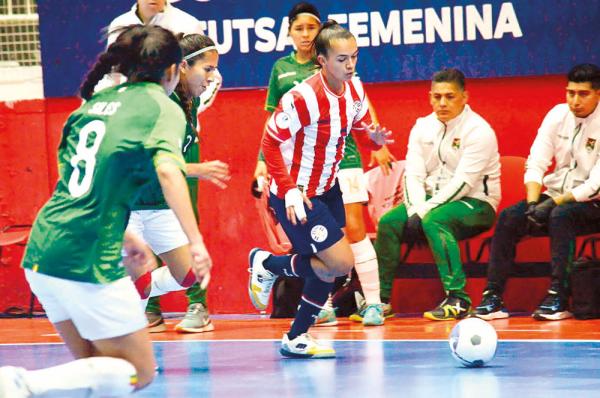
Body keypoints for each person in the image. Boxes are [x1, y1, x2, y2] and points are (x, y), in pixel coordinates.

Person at [0, 25, 211, 396]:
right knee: (138, 372)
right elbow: (167, 170)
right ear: (173, 70)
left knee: (99, 373)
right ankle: (21, 383)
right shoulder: (162, 105)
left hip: (43, 250)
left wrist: (128, 234)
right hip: (88, 256)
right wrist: (196, 242)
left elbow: (80, 185)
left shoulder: (93, 105)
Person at [248, 21, 393, 358]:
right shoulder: (302, 98)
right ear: (321, 60)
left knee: (327, 265)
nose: (350, 65)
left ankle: (296, 336)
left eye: (354, 57)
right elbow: (269, 143)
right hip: (294, 194)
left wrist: (372, 137)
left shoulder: (354, 88)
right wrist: (288, 189)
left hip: (327, 188)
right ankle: (268, 264)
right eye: (342, 59)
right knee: (339, 262)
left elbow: (355, 121)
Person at [106, 0, 223, 332]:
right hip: (132, 203)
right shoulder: (157, 104)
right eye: (208, 69)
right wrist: (197, 169)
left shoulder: (188, 99)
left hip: (157, 205)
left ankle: (140, 288)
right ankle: (121, 336)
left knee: (192, 274)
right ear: (181, 68)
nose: (214, 76)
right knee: (130, 304)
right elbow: (156, 165)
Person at [474, 63, 600, 321]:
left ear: (598, 94)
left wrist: (552, 203)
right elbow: (536, 161)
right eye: (570, 93)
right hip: (555, 198)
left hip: (591, 202)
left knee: (561, 216)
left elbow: (594, 185)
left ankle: (559, 297)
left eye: (583, 94)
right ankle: (493, 296)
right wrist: (533, 204)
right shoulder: (557, 115)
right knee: (511, 217)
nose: (575, 101)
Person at [375, 68, 500, 321]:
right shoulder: (422, 127)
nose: (442, 103)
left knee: (435, 219)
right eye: (437, 96)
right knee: (388, 223)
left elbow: (463, 183)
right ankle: (380, 301)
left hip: (476, 204)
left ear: (464, 97)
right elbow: (413, 175)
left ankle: (458, 299)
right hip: (430, 203)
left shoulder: (478, 130)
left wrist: (421, 212)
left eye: (450, 96)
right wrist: (414, 210)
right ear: (430, 96)